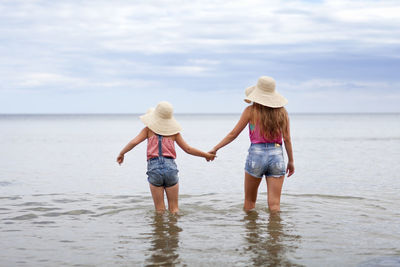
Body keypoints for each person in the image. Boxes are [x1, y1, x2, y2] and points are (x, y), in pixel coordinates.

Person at [209, 76, 294, 213]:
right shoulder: (282, 113)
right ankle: (276, 233)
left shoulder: (250, 111)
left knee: (249, 202)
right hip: (277, 155)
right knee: (275, 206)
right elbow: (287, 139)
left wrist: (215, 148)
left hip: (256, 155)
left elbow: (233, 134)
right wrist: (291, 161)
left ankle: (251, 234)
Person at [117, 101, 215, 214]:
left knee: (159, 210)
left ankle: (159, 230)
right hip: (170, 169)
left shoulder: (148, 130)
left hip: (154, 169)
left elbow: (134, 142)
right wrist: (206, 155)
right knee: (174, 209)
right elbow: (188, 149)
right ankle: (174, 230)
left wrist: (122, 153)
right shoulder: (174, 133)